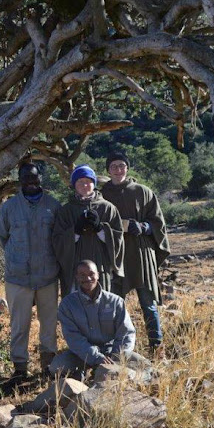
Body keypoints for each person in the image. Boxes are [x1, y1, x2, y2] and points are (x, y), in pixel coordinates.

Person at [100, 152, 170, 357]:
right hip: (115, 254)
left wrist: (144, 227)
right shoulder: (102, 194)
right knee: (114, 303)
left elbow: (158, 223)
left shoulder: (143, 191)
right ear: (108, 170)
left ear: (127, 168)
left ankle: (157, 347)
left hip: (141, 253)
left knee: (148, 304)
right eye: (113, 166)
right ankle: (115, 349)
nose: (118, 170)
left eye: (121, 165)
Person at [0, 163, 61, 378]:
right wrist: (18, 257)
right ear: (19, 180)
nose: (30, 182)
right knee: (19, 325)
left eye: (34, 178)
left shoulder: (53, 205)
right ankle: (19, 368)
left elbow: (59, 239)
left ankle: (48, 366)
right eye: (26, 178)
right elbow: (2, 237)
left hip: (48, 276)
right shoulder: (9, 207)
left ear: (40, 178)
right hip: (17, 277)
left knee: (49, 324)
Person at [48, 260, 136, 378]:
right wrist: (96, 358)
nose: (88, 278)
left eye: (91, 274)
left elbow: (126, 333)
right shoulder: (67, 304)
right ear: (77, 277)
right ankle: (80, 374)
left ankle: (102, 373)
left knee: (141, 365)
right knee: (56, 367)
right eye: (82, 275)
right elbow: (73, 338)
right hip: (81, 353)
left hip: (112, 352)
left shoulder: (115, 301)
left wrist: (117, 357)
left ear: (98, 275)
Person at [52, 165, 124, 297]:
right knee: (76, 308)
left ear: (94, 184)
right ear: (74, 185)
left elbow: (119, 240)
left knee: (102, 307)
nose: (85, 185)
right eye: (80, 182)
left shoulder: (108, 208)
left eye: (88, 181)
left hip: (100, 267)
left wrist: (101, 229)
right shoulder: (66, 211)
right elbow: (57, 242)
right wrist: (75, 232)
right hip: (74, 269)